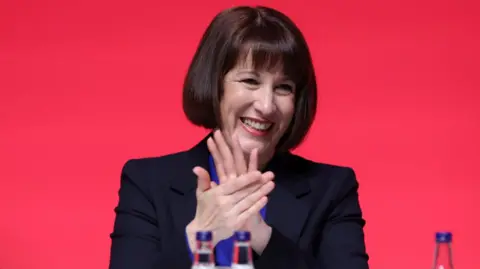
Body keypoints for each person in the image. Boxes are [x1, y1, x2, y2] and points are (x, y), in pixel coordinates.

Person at [108, 5, 369, 269]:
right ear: (215, 84)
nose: (267, 106)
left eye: (283, 87)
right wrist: (198, 237)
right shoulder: (147, 182)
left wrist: (261, 236)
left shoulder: (333, 189)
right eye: (250, 81)